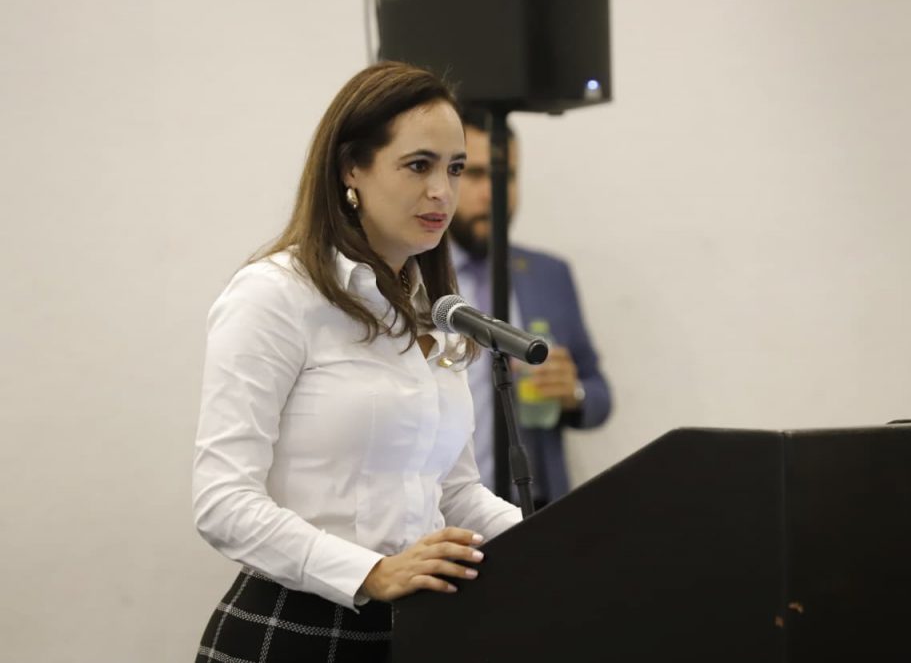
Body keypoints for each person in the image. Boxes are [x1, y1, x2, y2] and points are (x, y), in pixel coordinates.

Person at [191, 62, 522, 663]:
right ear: (351, 169)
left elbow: (455, 493)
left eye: (455, 168)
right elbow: (223, 502)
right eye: (418, 165)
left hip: (418, 630)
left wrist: (567, 545)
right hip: (292, 629)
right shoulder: (275, 295)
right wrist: (371, 572)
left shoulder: (433, 311)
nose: (442, 192)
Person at [448, 110, 612, 507]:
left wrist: (572, 392)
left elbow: (599, 394)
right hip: (440, 515)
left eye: (506, 176)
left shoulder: (548, 275)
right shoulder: (408, 277)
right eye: (475, 175)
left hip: (533, 507)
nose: (492, 193)